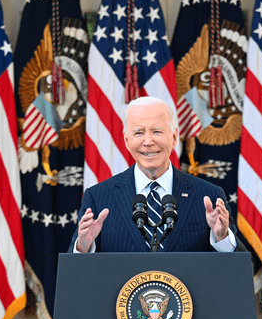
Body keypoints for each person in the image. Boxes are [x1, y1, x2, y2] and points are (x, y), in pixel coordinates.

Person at [69, 96, 243, 253]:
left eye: (157, 131)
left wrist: (222, 238)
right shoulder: (98, 198)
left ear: (174, 138)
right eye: (139, 132)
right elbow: (76, 274)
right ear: (127, 141)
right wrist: (84, 246)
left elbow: (237, 270)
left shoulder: (209, 197)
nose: (148, 142)